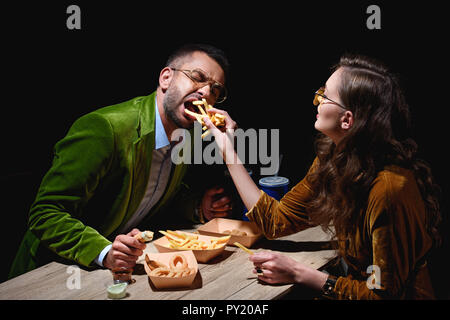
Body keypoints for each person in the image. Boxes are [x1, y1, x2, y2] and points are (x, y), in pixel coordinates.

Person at [203, 54, 441, 299]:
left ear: (347, 120)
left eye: (324, 96)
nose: (316, 101)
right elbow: (276, 221)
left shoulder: (389, 190)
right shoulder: (335, 160)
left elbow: (382, 295)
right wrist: (227, 149)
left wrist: (300, 273)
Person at [9, 43, 237, 279]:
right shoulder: (105, 128)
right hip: (51, 271)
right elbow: (45, 212)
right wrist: (104, 251)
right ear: (166, 78)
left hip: (117, 274)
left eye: (215, 90)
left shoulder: (185, 138)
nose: (206, 93)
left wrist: (199, 207)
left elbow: (150, 194)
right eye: (198, 77)